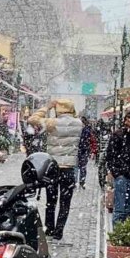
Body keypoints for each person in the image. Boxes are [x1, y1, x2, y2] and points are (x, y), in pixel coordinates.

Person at [28, 99, 83, 242]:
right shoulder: (78, 124)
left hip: (53, 168)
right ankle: (59, 231)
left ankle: (50, 228)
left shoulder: (51, 123)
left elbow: (32, 119)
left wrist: (47, 107)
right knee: (65, 202)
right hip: (68, 168)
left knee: (50, 201)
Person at [105, 111, 130, 226]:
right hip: (122, 175)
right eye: (127, 120)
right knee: (120, 208)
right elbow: (110, 155)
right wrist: (116, 172)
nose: (128, 123)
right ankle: (119, 232)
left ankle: (125, 230)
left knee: (129, 209)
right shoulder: (119, 135)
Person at [76, 116, 94, 189]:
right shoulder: (86, 130)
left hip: (82, 151)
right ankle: (80, 181)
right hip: (81, 151)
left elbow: (91, 140)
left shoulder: (86, 131)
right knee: (79, 168)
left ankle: (80, 181)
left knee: (80, 167)